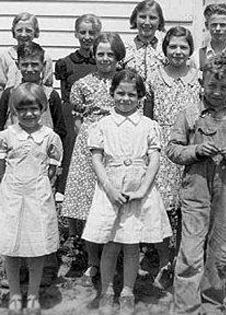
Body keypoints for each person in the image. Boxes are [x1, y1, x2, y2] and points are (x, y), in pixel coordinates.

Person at [167, 55, 226, 315]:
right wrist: (195, 151)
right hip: (195, 187)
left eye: (224, 88)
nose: (217, 93)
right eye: (211, 87)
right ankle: (186, 307)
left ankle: (213, 303)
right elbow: (172, 148)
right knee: (191, 249)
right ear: (201, 83)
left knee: (221, 248)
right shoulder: (189, 113)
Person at [82, 69, 172, 315]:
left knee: (132, 245)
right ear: (112, 93)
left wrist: (143, 189)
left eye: (132, 94)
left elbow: (154, 160)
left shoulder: (148, 125)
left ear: (140, 96)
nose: (125, 98)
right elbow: (97, 160)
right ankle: (108, 288)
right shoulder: (102, 125)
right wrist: (109, 189)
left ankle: (128, 290)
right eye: (120, 93)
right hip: (111, 189)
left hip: (137, 188)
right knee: (111, 244)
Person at [60, 32, 126, 287]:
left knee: (113, 202)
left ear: (118, 56)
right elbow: (77, 120)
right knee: (88, 205)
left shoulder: (125, 82)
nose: (105, 58)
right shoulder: (83, 84)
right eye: (101, 53)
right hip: (89, 146)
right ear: (94, 55)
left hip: (119, 145)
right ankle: (93, 261)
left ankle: (115, 258)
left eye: (111, 53)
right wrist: (91, 138)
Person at [0, 83, 63, 315]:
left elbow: (52, 171)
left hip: (37, 197)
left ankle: (34, 293)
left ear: (43, 108)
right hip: (12, 197)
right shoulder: (6, 136)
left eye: (34, 108)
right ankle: (15, 292)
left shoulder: (49, 137)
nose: (29, 113)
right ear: (14, 110)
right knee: (12, 248)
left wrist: (42, 188)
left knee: (36, 249)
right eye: (22, 109)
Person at [146, 26, 201, 289]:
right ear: (165, 48)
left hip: (191, 147)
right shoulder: (154, 78)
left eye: (183, 47)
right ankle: (164, 260)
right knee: (162, 209)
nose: (178, 51)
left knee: (187, 209)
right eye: (173, 46)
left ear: (190, 50)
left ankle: (184, 261)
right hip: (162, 147)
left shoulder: (198, 78)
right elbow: (147, 116)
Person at [54, 14, 102, 197]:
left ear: (98, 35)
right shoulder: (66, 63)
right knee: (71, 151)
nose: (87, 37)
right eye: (83, 32)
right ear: (76, 34)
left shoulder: (102, 61)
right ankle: (65, 192)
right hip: (71, 115)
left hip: (95, 114)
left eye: (92, 33)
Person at [0, 12, 53, 92]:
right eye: (19, 30)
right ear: (13, 32)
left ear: (35, 32)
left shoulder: (44, 56)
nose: (23, 34)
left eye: (28, 31)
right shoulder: (6, 56)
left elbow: (48, 85)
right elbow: (1, 86)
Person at [123, 0, 166, 81]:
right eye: (142, 17)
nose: (147, 22)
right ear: (135, 19)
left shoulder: (166, 48)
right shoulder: (125, 48)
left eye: (152, 18)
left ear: (160, 21)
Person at [191, 3, 226, 71]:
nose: (218, 29)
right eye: (214, 25)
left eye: (223, 25)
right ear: (206, 25)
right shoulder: (196, 57)